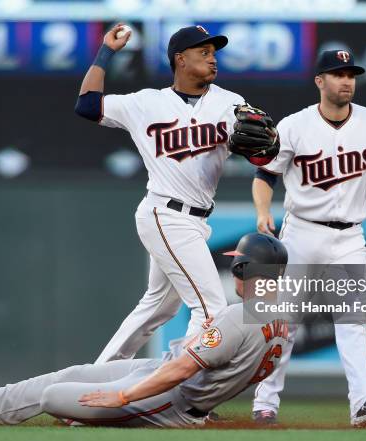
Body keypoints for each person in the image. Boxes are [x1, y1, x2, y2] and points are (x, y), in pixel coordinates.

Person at [0, 234, 290, 428]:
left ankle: (98, 416)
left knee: (53, 398)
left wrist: (123, 398)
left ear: (243, 268)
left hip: (171, 401)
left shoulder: (236, 316)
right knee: (74, 374)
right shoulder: (283, 323)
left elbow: (185, 369)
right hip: (165, 375)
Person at [74, 23, 249, 364]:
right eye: (204, 52)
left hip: (196, 219)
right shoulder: (146, 103)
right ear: (180, 60)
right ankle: (177, 393)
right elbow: (87, 106)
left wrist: (262, 150)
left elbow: (262, 152)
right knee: (210, 309)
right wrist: (106, 52)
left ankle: (91, 385)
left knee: (157, 307)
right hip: (165, 214)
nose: (213, 59)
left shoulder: (231, 103)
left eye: (214, 53)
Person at [250, 50, 366, 428]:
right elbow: (265, 175)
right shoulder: (294, 125)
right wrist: (262, 211)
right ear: (320, 81)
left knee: (353, 320)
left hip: (350, 235)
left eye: (351, 74)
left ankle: (362, 402)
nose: (347, 80)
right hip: (302, 231)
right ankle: (265, 402)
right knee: (285, 322)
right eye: (337, 74)